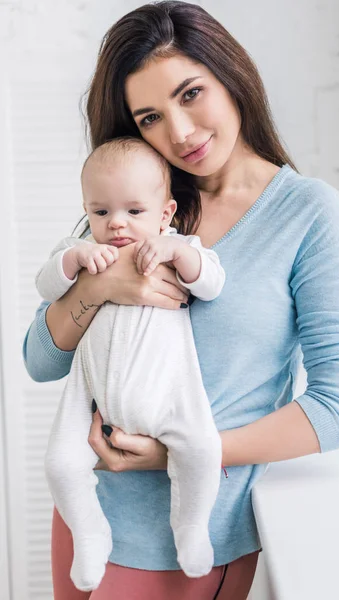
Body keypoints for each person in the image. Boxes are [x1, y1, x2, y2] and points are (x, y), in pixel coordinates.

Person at [23, 2, 339, 599]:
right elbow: (41, 360)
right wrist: (102, 286)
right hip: (86, 519)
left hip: (190, 540)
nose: (180, 133)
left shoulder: (308, 214)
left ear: (232, 77)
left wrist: (176, 454)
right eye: (151, 117)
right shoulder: (135, 203)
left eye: (191, 94)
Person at [35, 137, 226, 591]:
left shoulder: (177, 247)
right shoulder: (82, 250)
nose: (116, 224)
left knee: (201, 450)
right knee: (60, 464)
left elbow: (213, 283)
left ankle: (191, 526)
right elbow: (45, 285)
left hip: (170, 391)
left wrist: (180, 254)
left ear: (164, 214)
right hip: (92, 395)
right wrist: (74, 260)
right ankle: (90, 532)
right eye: (100, 212)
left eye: (134, 211)